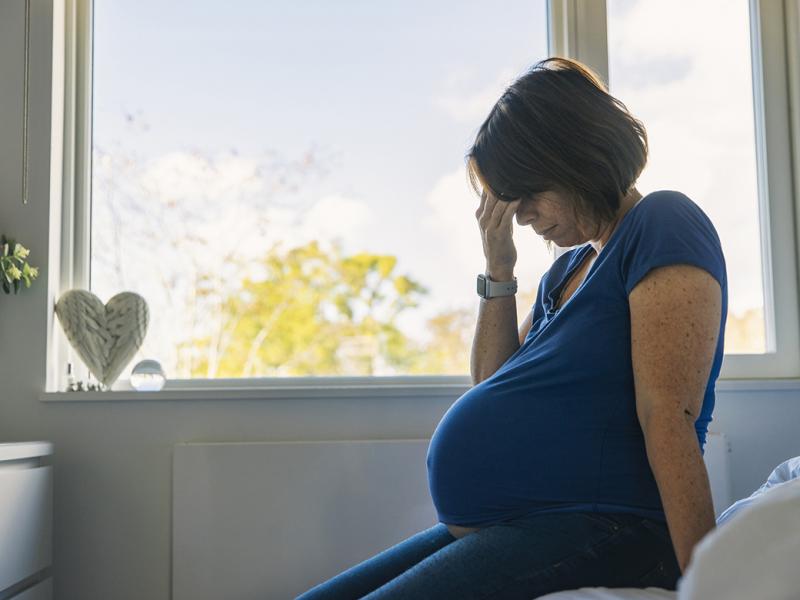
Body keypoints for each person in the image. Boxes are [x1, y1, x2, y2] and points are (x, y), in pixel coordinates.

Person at [296, 56, 728, 599]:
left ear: (577, 157)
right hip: (530, 522)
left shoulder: (661, 223)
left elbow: (668, 414)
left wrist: (707, 582)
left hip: (612, 526)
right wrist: (499, 270)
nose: (519, 214)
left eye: (527, 192)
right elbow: (493, 384)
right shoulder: (567, 272)